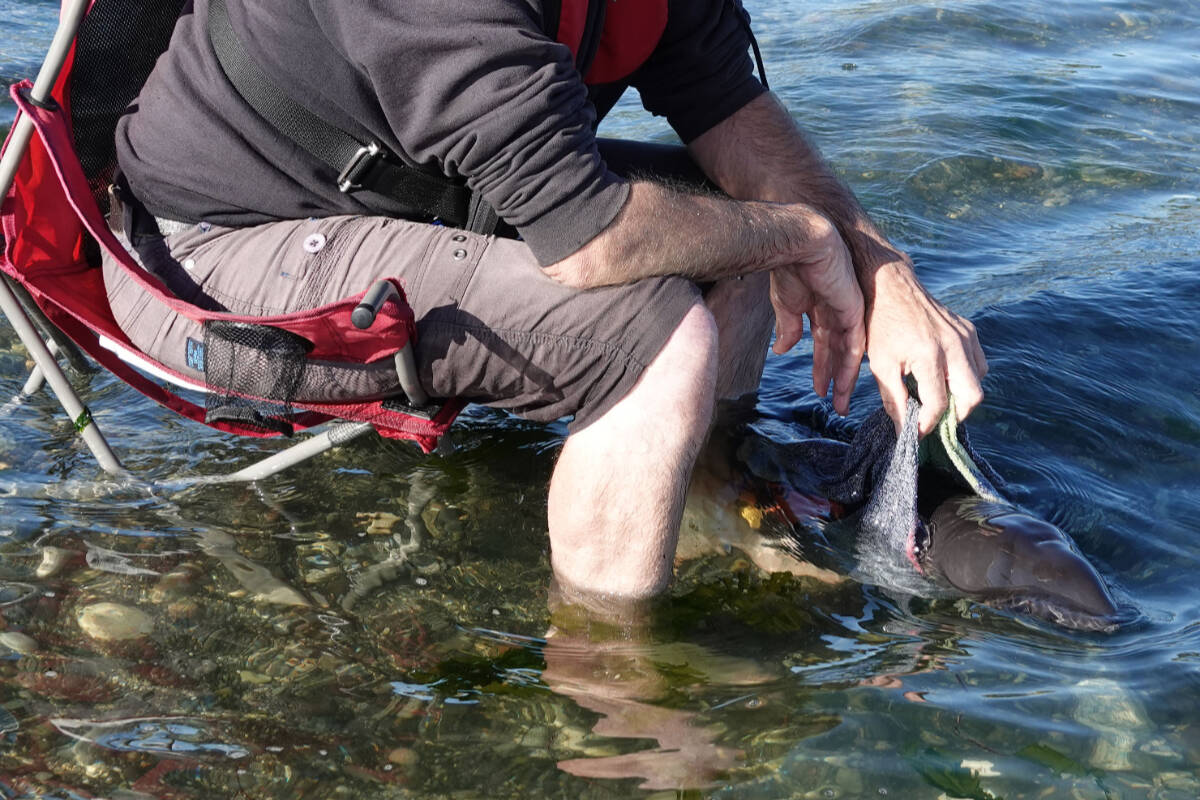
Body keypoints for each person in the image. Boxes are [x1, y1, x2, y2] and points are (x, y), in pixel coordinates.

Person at [104, 0, 986, 603]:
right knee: (649, 339)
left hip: (421, 201)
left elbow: (731, 107)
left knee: (745, 230)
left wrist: (880, 271)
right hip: (205, 251)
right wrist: (803, 240)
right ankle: (615, 693)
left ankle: (707, 501)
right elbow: (587, 236)